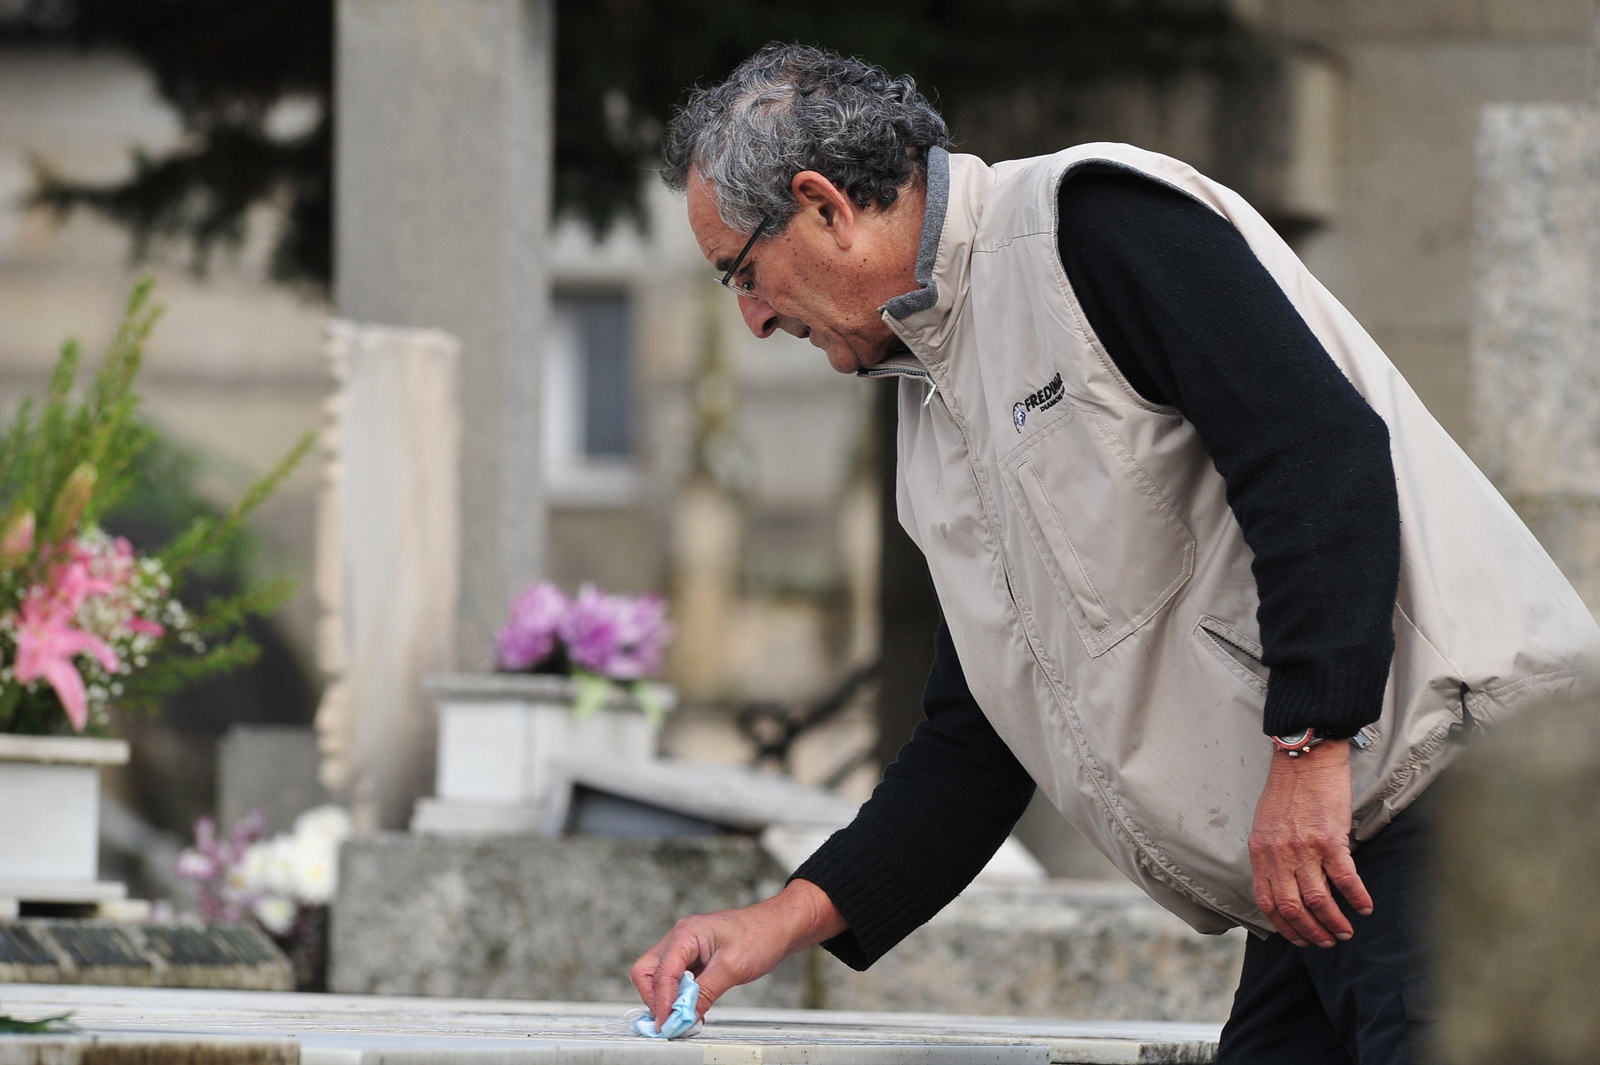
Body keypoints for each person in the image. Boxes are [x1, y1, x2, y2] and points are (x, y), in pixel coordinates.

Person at [630, 43, 1600, 1064]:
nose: (751, 317)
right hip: (1316, 884)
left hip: (1453, 826)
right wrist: (775, 923)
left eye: (742, 272)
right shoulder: (930, 411)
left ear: (824, 205)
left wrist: (1312, 746)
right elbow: (977, 742)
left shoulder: (1086, 224)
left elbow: (1316, 454)